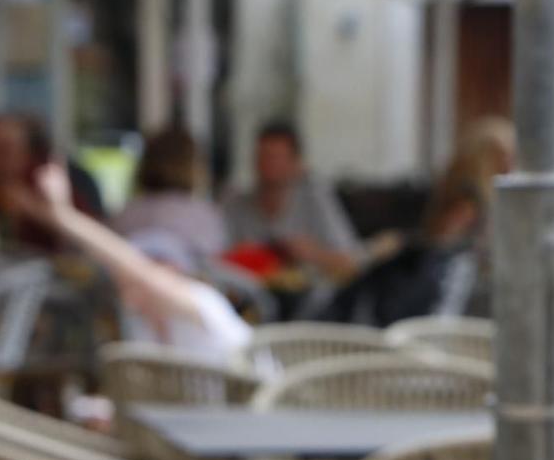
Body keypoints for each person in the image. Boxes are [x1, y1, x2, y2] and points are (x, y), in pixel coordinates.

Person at [13, 163, 251, 361]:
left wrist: (64, 217)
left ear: (173, 270)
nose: (128, 287)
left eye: (134, 279)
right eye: (124, 281)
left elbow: (133, 266)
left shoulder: (201, 301)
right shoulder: (140, 323)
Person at [315, 163, 483, 327]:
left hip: (418, 329)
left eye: (465, 218)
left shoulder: (460, 262)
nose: (457, 221)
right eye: (455, 213)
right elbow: (354, 275)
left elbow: (444, 315)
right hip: (380, 318)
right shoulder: (402, 242)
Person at [219, 120, 363, 282]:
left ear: (296, 164)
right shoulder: (236, 204)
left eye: (276, 158)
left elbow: (353, 262)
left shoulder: (315, 199)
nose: (268, 167)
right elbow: (218, 262)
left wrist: (312, 253)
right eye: (263, 157)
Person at [115, 126, 227, 274]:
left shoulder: (126, 213)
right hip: (184, 295)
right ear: (191, 165)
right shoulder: (203, 215)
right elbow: (217, 269)